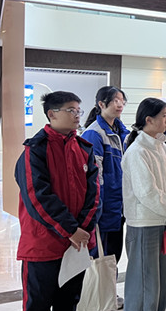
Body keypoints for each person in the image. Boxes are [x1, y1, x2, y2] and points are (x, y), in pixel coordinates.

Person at [15, 91, 101, 311]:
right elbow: (37, 197)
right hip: (43, 245)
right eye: (71, 110)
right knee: (38, 304)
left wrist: (82, 230)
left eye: (79, 110)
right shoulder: (35, 150)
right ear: (51, 114)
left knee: (69, 303)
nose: (77, 115)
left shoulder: (83, 149)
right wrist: (71, 230)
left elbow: (94, 194)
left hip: (76, 245)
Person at [122, 97, 166, 311]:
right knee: (144, 286)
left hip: (164, 222)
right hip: (144, 224)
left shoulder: (163, 148)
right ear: (148, 120)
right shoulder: (137, 151)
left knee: (162, 285)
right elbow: (147, 192)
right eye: (164, 116)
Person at [82, 85, 129, 309]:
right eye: (115, 101)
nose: (120, 105)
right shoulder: (94, 133)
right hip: (104, 207)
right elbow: (95, 177)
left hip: (119, 205)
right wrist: (96, 210)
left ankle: (109, 294)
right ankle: (98, 297)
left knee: (112, 255)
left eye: (122, 101)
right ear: (101, 104)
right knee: (101, 255)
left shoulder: (121, 131)